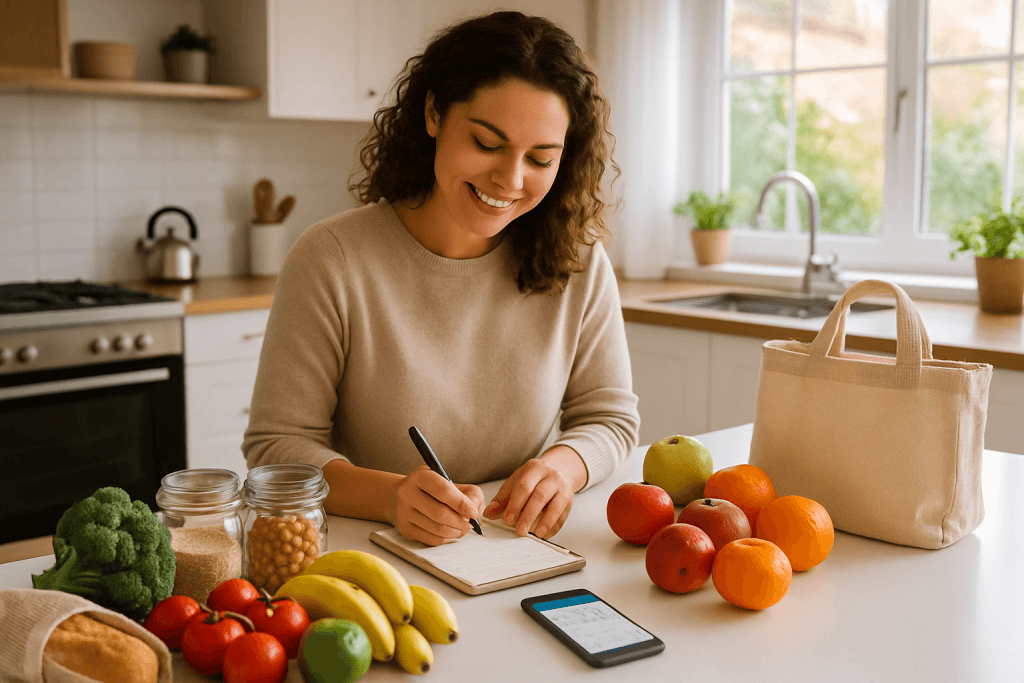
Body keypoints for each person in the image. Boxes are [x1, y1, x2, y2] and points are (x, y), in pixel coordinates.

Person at [242, 11, 639, 547]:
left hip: (506, 546)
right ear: (433, 113)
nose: (511, 179)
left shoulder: (580, 262)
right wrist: (388, 496)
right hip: (367, 550)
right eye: (487, 143)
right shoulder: (331, 257)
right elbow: (278, 446)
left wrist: (563, 468)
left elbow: (609, 418)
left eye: (541, 158)